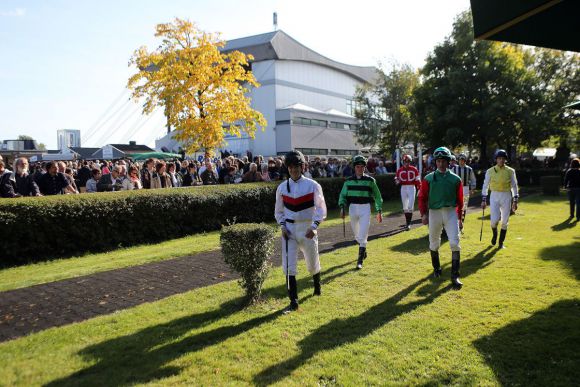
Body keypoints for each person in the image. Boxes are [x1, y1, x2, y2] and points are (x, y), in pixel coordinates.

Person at [274, 150, 327, 313]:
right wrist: (282, 226)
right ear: (287, 168)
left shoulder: (313, 185)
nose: (293, 170)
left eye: (296, 166)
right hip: (289, 230)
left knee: (312, 263)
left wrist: (314, 226)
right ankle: (293, 301)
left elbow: (321, 208)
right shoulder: (282, 188)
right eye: (290, 167)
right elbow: (279, 211)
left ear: (302, 166)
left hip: (307, 229)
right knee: (289, 266)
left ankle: (317, 286)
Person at [418, 146, 464, 289]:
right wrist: (423, 214)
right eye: (438, 161)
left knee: (455, 242)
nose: (441, 163)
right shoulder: (428, 178)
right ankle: (437, 269)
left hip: (450, 212)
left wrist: (460, 217)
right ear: (435, 162)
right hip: (434, 213)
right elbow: (422, 197)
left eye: (444, 160)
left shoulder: (456, 179)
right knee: (433, 243)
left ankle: (455, 276)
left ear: (449, 161)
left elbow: (460, 200)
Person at [338, 154, 383, 269]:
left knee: (363, 234)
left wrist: (379, 211)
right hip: (352, 208)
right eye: (357, 166)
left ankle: (359, 260)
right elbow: (342, 195)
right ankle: (363, 249)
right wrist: (342, 207)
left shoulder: (370, 181)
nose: (360, 168)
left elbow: (377, 196)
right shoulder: (348, 182)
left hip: (365, 208)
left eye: (362, 166)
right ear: (354, 167)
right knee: (357, 236)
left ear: (365, 167)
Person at [481, 149, 519, 249]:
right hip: (494, 195)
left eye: (503, 158)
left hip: (506, 195)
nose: (501, 160)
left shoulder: (510, 171)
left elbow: (514, 186)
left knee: (505, 221)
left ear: (505, 160)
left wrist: (515, 200)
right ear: (496, 159)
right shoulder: (490, 171)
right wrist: (484, 199)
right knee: (494, 220)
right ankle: (494, 234)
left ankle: (501, 242)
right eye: (499, 158)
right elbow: (485, 186)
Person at [395, 154, 421, 230]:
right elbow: (396, 177)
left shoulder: (414, 169)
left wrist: (419, 187)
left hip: (411, 187)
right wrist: (396, 181)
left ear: (410, 162)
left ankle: (408, 223)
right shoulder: (400, 170)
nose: (407, 163)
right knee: (405, 207)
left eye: (408, 161)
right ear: (403, 162)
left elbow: (417, 179)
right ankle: (407, 223)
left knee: (410, 206)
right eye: (405, 161)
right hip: (403, 188)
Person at [452, 153, 477, 227]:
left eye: (462, 160)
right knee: (456, 204)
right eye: (460, 160)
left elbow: (473, 179)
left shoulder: (469, 169)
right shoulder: (454, 169)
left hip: (465, 188)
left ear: (465, 161)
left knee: (464, 205)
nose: (461, 161)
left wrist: (472, 188)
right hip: (456, 188)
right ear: (458, 160)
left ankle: (461, 221)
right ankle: (456, 221)